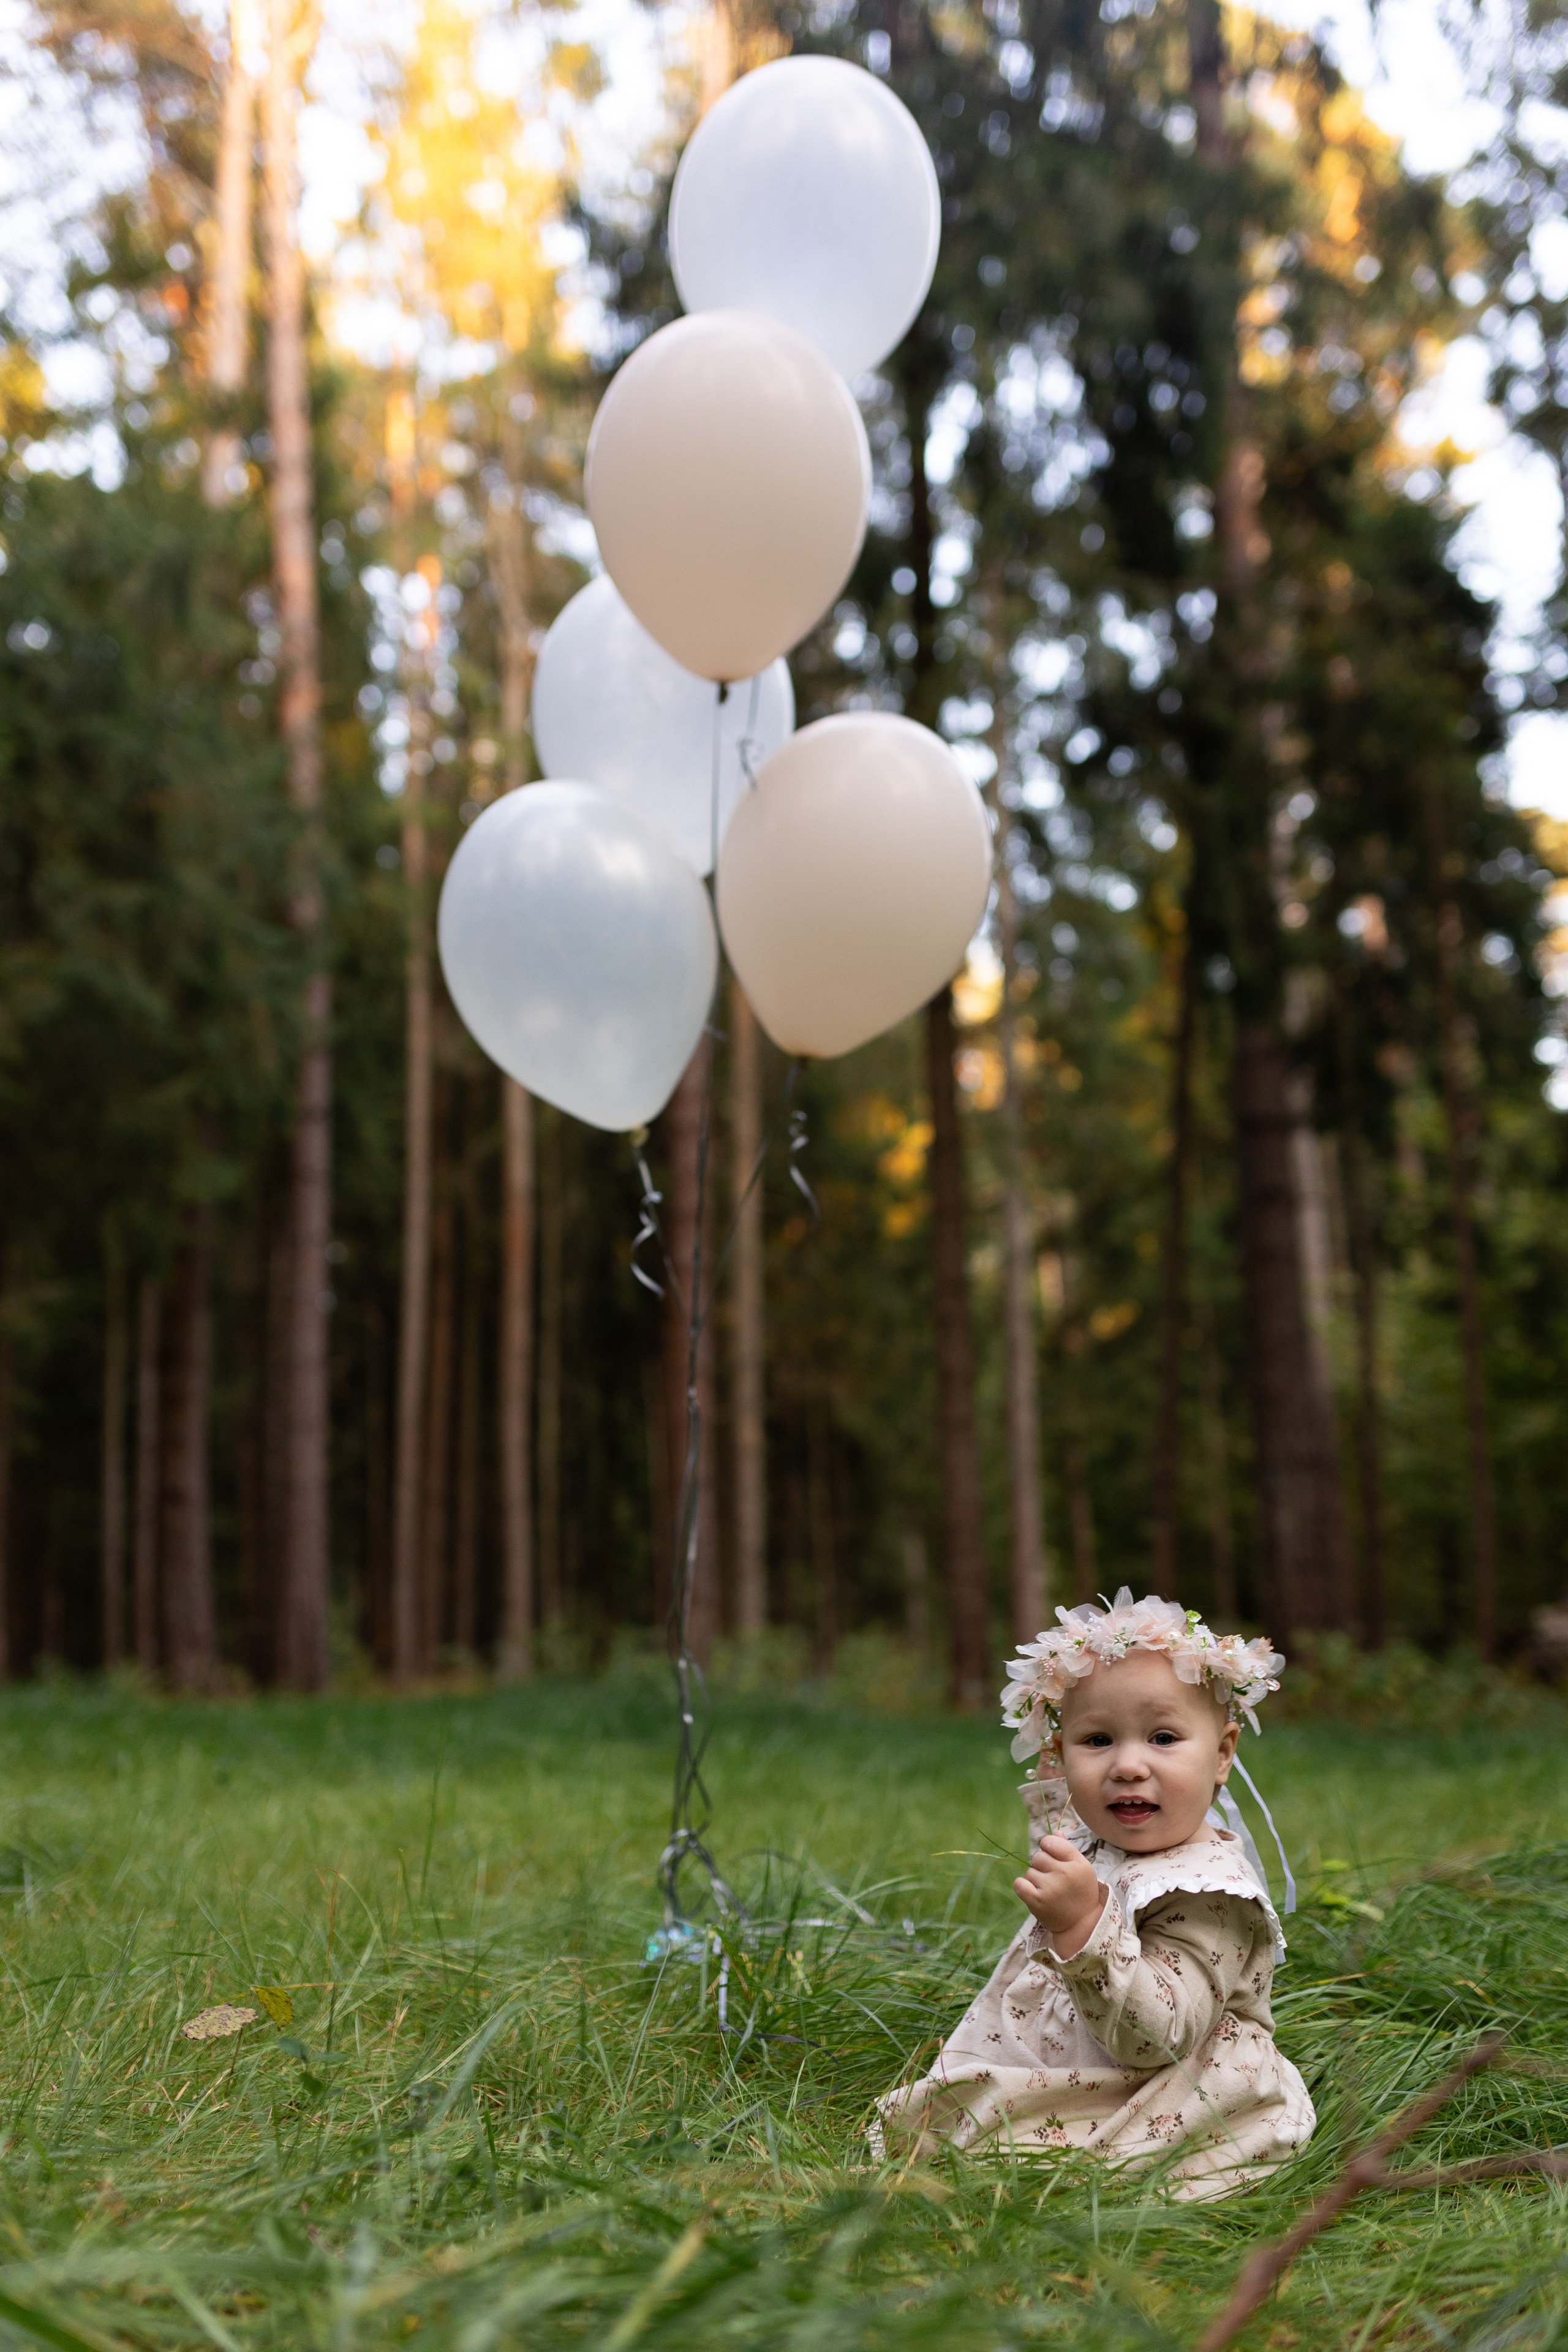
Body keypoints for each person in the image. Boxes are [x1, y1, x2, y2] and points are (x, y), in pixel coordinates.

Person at [874, 1589, 1316, 2201]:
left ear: (1221, 1756)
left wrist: (1085, 1925)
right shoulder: (1099, 1837)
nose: (1128, 1766)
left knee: (1043, 2164)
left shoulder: (1209, 1892)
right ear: (1057, 1757)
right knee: (975, 2126)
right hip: (1089, 2051)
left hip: (1174, 2084)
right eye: (1097, 1741)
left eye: (1162, 1738)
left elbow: (1156, 2038)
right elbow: (1064, 1829)